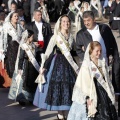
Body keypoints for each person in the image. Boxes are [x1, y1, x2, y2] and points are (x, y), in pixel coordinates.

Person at [33, 15, 79, 120]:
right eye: (64, 21)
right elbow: (48, 52)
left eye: (68, 22)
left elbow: (73, 53)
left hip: (69, 66)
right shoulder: (55, 37)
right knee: (58, 87)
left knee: (68, 87)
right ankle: (60, 114)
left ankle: (65, 112)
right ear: (60, 23)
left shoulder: (71, 37)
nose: (66, 24)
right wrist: (44, 66)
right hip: (57, 65)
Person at [67, 41, 118, 120]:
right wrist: (88, 98)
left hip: (104, 92)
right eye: (97, 51)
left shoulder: (102, 61)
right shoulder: (86, 65)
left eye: (100, 51)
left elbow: (107, 79)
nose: (99, 53)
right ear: (91, 51)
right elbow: (83, 83)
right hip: (94, 92)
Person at [76, 11, 120, 93]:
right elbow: (78, 49)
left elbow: (113, 45)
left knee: (106, 90)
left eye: (88, 20)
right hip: (92, 68)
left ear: (94, 20)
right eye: (84, 21)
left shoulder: (105, 29)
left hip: (105, 64)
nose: (86, 23)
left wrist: (114, 57)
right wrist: (88, 59)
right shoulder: (80, 34)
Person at [8, 30, 40, 106]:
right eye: (32, 36)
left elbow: (36, 56)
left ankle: (31, 98)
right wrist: (19, 68)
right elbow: (21, 58)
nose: (33, 37)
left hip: (33, 67)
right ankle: (22, 98)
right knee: (25, 82)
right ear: (28, 37)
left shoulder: (33, 45)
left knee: (32, 82)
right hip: (26, 66)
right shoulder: (23, 46)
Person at [2, 11, 23, 78]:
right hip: (10, 49)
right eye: (15, 16)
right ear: (11, 18)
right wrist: (2, 49)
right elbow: (3, 38)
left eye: (17, 16)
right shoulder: (6, 26)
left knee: (19, 66)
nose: (16, 18)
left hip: (18, 49)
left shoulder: (20, 26)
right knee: (12, 67)